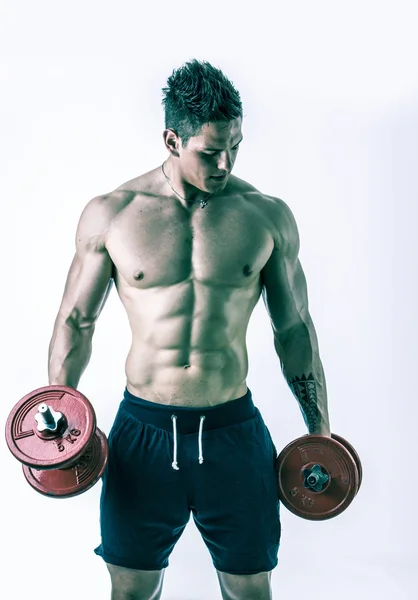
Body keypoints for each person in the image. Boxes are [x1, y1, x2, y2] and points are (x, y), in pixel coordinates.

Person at [48, 59, 331, 600]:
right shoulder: (113, 214)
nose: (224, 162)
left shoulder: (265, 216)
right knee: (131, 591)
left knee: (250, 591)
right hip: (143, 435)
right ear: (171, 139)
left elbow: (294, 328)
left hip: (233, 434)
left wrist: (319, 430)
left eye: (236, 146)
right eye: (209, 151)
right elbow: (75, 321)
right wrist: (61, 417)